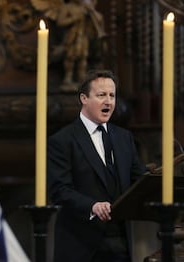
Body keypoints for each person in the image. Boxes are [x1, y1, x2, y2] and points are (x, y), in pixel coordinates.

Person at [47, 70, 147, 262]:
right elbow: (59, 190)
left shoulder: (124, 138)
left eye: (112, 95)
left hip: (120, 244)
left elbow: (139, 180)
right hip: (80, 245)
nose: (108, 101)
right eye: (101, 95)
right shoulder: (62, 140)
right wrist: (92, 206)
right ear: (84, 98)